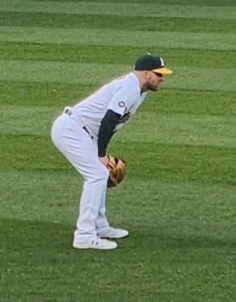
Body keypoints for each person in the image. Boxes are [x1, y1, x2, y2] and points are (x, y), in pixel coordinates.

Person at [50, 54, 171, 251]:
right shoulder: (130, 87)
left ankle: (100, 226)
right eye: (158, 74)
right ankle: (84, 235)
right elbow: (109, 120)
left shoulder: (140, 90)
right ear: (146, 73)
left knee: (100, 172)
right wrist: (102, 154)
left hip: (84, 132)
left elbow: (112, 125)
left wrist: (101, 153)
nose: (162, 78)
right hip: (71, 129)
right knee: (97, 175)